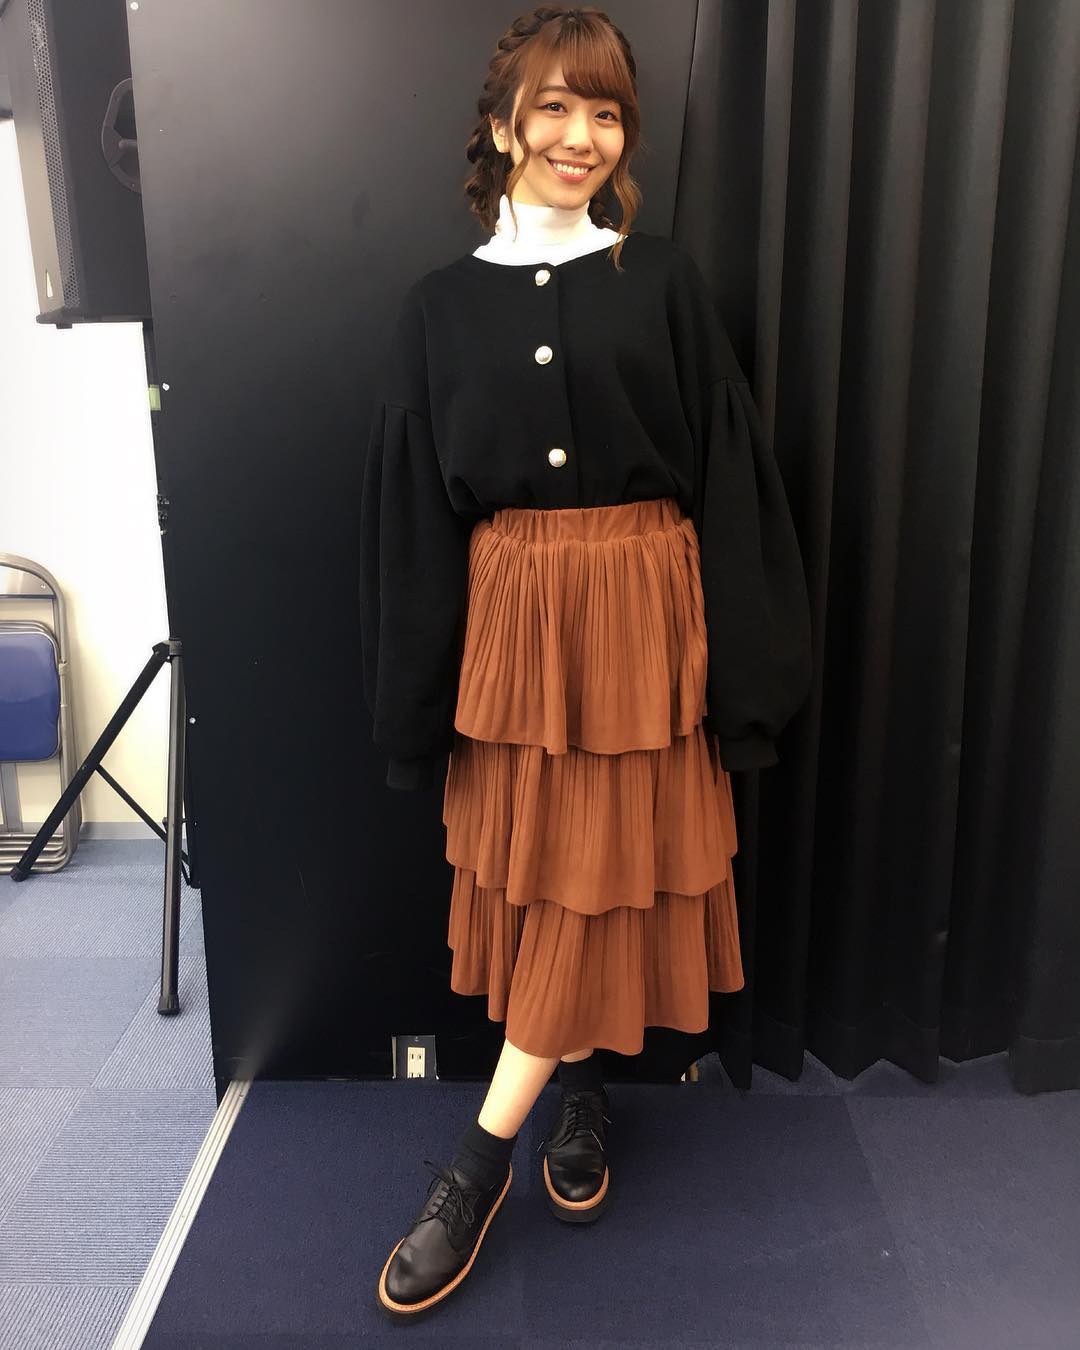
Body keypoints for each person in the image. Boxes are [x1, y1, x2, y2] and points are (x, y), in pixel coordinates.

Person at [360, 5, 813, 1323]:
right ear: (504, 123)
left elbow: (731, 479)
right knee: (552, 883)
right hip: (515, 629)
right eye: (556, 105)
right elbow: (415, 520)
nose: (582, 134)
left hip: (640, 620)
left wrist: (750, 685)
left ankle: (475, 1166)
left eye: (606, 111)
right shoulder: (437, 308)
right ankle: (581, 1090)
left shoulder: (660, 281)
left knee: (589, 879)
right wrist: (412, 706)